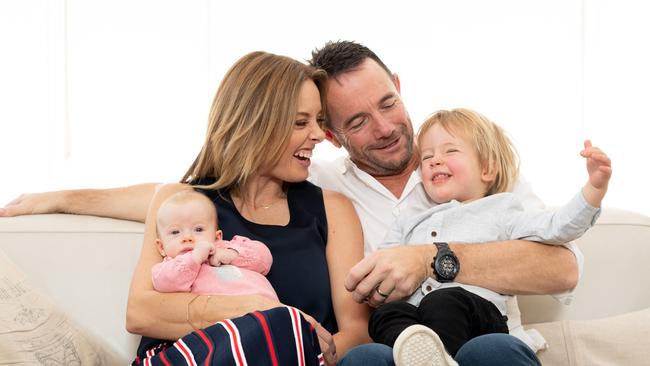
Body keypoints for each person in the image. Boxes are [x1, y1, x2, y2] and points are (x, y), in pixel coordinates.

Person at [1, 41, 582, 366]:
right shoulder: (293, 188)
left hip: (457, 337)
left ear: (400, 86)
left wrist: (431, 261)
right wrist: (55, 197)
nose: (383, 128)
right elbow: (148, 281)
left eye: (388, 103)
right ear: (333, 134)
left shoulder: (476, 175)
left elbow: (560, 267)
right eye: (353, 121)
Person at [366, 108, 611, 366]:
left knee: (444, 301)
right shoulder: (408, 221)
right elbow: (382, 265)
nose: (435, 160)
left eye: (450, 151)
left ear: (487, 169)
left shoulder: (503, 210)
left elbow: (556, 226)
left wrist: (592, 191)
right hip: (419, 319)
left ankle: (441, 359)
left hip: (479, 317)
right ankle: (421, 357)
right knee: (386, 315)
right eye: (427, 156)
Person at [152, 189, 277, 301]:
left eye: (198, 229)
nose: (187, 238)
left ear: (217, 237)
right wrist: (193, 259)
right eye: (175, 232)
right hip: (230, 319)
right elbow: (166, 283)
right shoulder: (167, 268)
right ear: (161, 247)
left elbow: (264, 259)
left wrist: (233, 254)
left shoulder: (227, 246)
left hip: (270, 308)